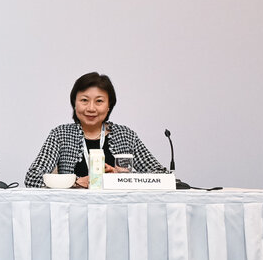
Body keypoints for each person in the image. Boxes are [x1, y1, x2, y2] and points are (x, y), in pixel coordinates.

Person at [25, 72, 167, 188]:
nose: (91, 108)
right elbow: (32, 178)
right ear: (74, 104)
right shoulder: (61, 135)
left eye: (99, 101)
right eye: (84, 100)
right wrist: (75, 183)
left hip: (117, 212)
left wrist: (121, 178)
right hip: (74, 213)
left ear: (109, 106)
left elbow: (162, 175)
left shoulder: (126, 135)